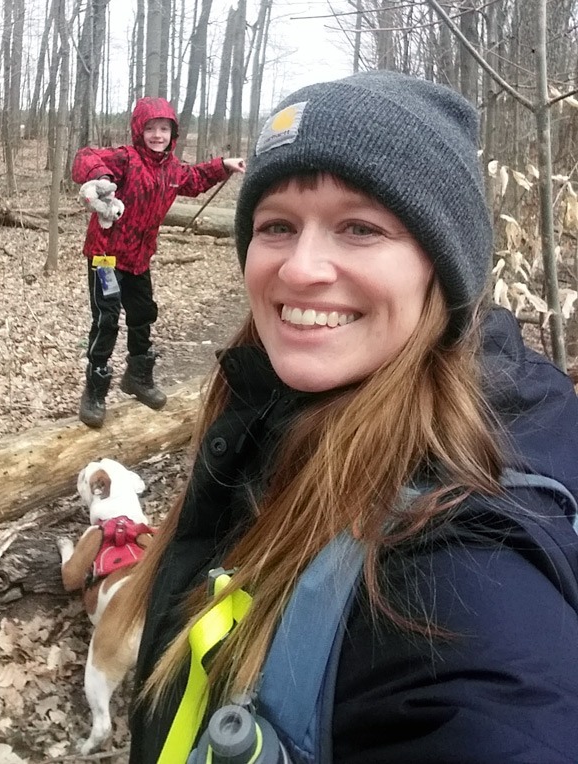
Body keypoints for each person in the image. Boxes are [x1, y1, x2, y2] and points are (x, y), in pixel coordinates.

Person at [119, 71, 578, 762]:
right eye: (277, 225)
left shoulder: (464, 581)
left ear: (442, 268)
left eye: (360, 227)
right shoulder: (271, 416)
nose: (301, 268)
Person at [72, 97, 245, 428]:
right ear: (139, 130)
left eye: (163, 129)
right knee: (107, 319)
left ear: (173, 133)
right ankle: (95, 390)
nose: (156, 135)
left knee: (143, 313)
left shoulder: (173, 169)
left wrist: (224, 165)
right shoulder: (125, 158)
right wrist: (101, 178)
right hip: (106, 257)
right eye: (150, 128)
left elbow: (194, 179)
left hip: (138, 260)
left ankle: (138, 377)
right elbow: (86, 157)